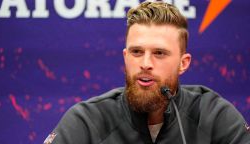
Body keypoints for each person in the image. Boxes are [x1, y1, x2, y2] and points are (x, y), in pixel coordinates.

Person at [44, 1, 250, 144]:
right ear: (125, 57)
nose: (145, 63)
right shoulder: (87, 122)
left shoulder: (214, 117)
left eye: (159, 53)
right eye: (136, 52)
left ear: (183, 63)